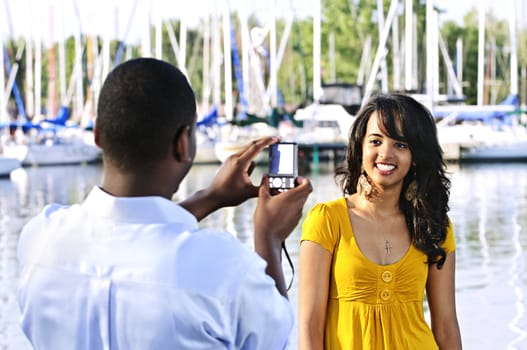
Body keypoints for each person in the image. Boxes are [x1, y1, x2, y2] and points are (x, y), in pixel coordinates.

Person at [17, 57, 312, 349]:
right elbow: (278, 339)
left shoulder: (40, 240)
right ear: (183, 143)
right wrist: (268, 238)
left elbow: (128, 236)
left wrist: (209, 198)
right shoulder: (227, 271)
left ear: (97, 135)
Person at [298, 93, 462, 349]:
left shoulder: (434, 226)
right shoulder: (327, 220)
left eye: (401, 145)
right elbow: (309, 327)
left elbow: (446, 327)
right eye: (376, 141)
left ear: (417, 156)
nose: (385, 153)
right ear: (360, 146)